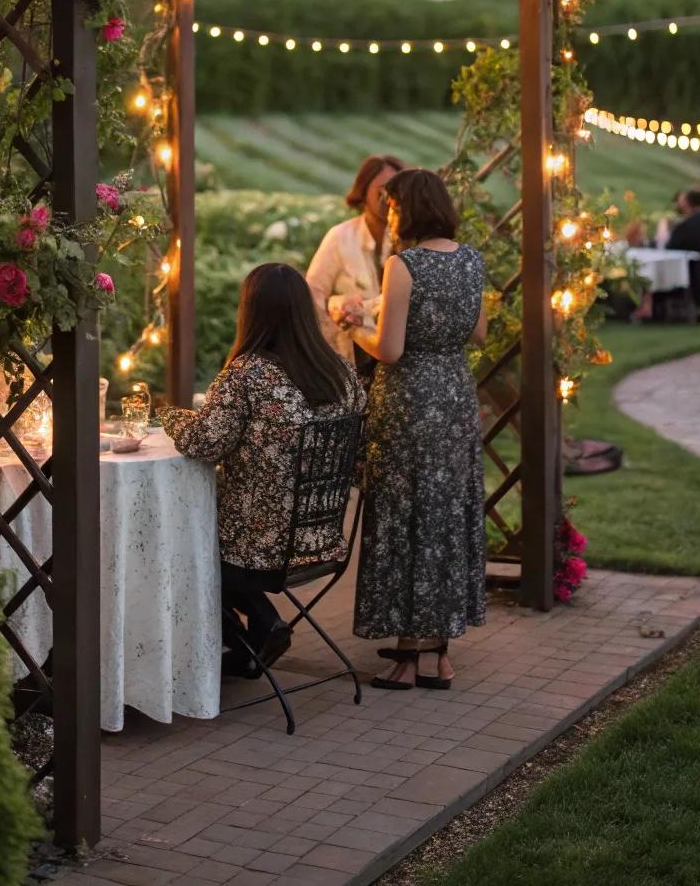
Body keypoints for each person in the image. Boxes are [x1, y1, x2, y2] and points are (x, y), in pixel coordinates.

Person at [160, 263, 364, 678]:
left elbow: (203, 442)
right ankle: (253, 634)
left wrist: (169, 417)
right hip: (322, 538)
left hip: (261, 548)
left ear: (250, 311)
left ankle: (257, 626)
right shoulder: (341, 371)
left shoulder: (248, 374)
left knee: (175, 542)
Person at [349, 168, 486, 692]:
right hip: (454, 397)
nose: (389, 216)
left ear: (408, 210)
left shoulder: (402, 266)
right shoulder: (471, 260)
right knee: (446, 516)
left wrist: (355, 330)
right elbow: (477, 331)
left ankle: (408, 658)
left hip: (409, 403)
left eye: (393, 207)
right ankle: (440, 653)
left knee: (406, 519)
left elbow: (390, 350)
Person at [306, 153, 405, 374]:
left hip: (396, 359)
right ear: (363, 191)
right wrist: (337, 308)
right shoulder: (340, 237)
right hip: (350, 359)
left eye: (395, 191)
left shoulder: (407, 240)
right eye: (381, 191)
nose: (388, 199)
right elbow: (313, 294)